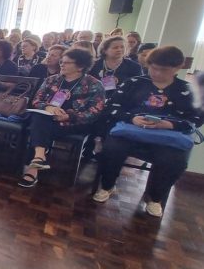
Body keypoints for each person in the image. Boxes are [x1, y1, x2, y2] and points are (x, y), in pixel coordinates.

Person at [93, 46, 203, 217]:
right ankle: (107, 185)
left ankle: (154, 197)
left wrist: (169, 125)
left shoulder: (188, 90)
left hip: (168, 137)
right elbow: (111, 108)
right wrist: (132, 118)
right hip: (130, 131)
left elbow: (196, 119)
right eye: (153, 68)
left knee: (174, 160)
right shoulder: (134, 83)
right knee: (112, 148)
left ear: (177, 68)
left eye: (163, 70)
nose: (157, 73)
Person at [18, 48, 105, 188]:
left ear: (81, 66)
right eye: (61, 62)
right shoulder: (52, 80)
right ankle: (39, 158)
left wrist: (69, 116)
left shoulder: (94, 84)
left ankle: (35, 165)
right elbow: (36, 100)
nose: (62, 65)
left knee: (38, 124)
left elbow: (95, 112)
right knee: (40, 118)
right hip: (48, 119)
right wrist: (48, 107)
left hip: (74, 123)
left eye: (67, 63)